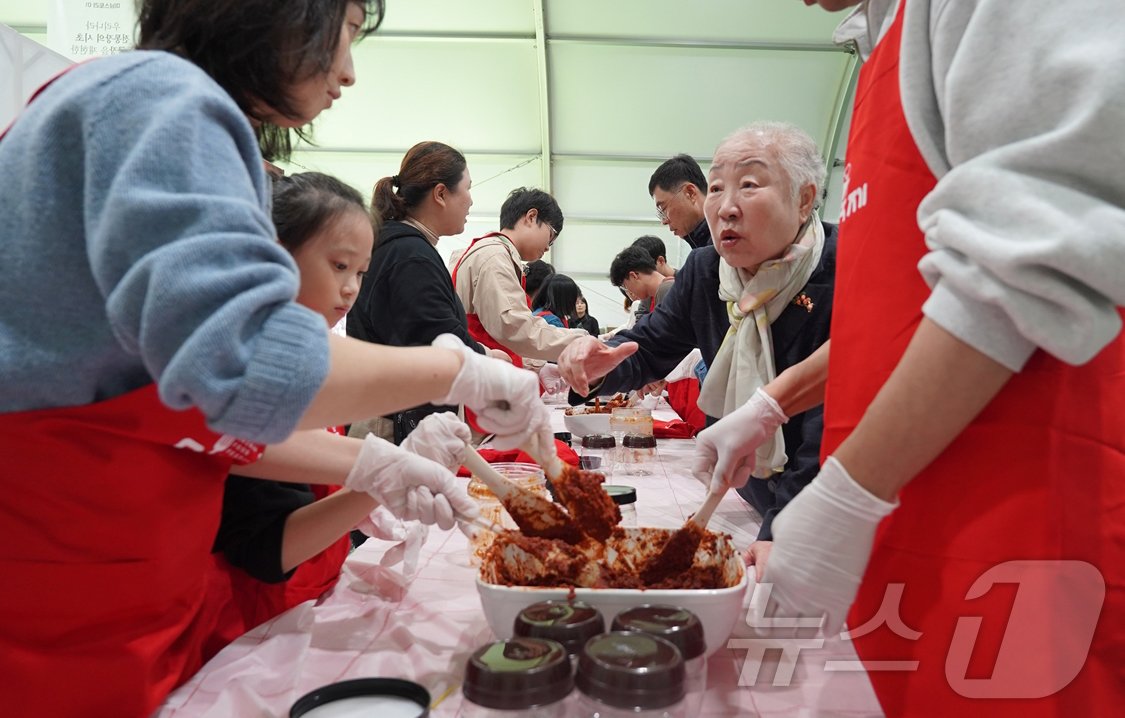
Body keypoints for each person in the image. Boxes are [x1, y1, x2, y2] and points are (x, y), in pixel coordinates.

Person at [0, 3, 551, 715]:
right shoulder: (163, 101)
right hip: (62, 596)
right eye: (347, 28)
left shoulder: (130, 100)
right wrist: (457, 372)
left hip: (104, 581)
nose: (347, 72)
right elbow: (248, 367)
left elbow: (189, 406)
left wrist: (373, 465)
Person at [701, 1, 1125, 715]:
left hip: (1019, 525)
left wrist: (845, 493)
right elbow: (899, 314)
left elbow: (1030, 261)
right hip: (907, 526)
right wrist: (772, 403)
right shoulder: (880, 44)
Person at [202, 172, 471, 660]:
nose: (350, 290)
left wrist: (390, 466)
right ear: (272, 257)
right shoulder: (246, 371)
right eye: (339, 266)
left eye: (361, 274)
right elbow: (269, 549)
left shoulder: (309, 358)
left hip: (305, 602)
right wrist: (380, 476)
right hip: (253, 631)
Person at [561, 122, 837, 554]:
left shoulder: (845, 268)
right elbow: (649, 346)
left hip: (825, 501)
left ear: (804, 198)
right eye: (717, 188)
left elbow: (833, 425)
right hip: (751, 486)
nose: (725, 208)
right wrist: (600, 362)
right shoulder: (706, 271)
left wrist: (785, 530)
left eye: (748, 185)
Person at [348, 141, 509, 442]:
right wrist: (487, 358)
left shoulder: (405, 247)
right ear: (440, 194)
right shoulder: (410, 255)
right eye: (467, 188)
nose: (471, 201)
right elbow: (437, 340)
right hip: (394, 431)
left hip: (397, 421)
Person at [649, 153, 711, 250]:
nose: (664, 221)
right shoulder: (702, 245)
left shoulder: (726, 242)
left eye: (663, 209)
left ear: (690, 193)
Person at [609, 245, 675, 313]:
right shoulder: (647, 300)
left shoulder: (669, 291)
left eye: (625, 286)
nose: (629, 291)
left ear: (633, 276)